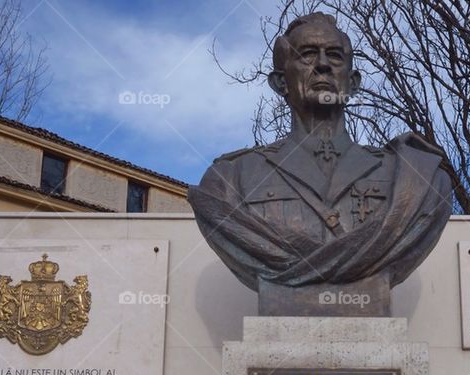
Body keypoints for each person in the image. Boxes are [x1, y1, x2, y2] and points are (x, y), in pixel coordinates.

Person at [189, 12, 452, 292]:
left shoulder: (415, 180)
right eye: (307, 55)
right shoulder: (229, 180)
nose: (323, 65)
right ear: (280, 82)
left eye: (335, 56)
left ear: (353, 82)